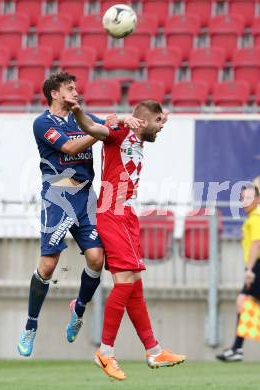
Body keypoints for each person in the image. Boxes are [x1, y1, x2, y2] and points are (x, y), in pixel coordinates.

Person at [65, 97, 186, 380]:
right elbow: (93, 128)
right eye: (158, 123)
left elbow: (148, 118)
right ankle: (105, 352)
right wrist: (79, 111)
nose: (161, 128)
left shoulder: (135, 134)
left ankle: (153, 350)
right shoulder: (119, 131)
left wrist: (156, 115)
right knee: (126, 282)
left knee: (134, 284)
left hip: (127, 215)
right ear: (143, 121)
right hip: (114, 213)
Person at [17, 71, 136, 357]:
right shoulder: (43, 123)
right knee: (47, 266)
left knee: (97, 258)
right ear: (55, 93)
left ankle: (78, 308)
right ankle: (31, 325)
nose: (76, 92)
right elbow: (70, 146)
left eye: (76, 88)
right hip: (57, 197)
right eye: (70, 89)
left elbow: (107, 123)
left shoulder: (81, 116)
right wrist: (98, 133)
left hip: (85, 196)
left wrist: (124, 119)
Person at [216, 184, 260, 362]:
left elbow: (257, 243)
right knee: (242, 301)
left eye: (249, 198)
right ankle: (237, 349)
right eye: (242, 198)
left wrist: (250, 270)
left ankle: (237, 348)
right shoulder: (259, 216)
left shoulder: (256, 218)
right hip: (259, 265)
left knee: (248, 302)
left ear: (259, 199)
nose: (245, 202)